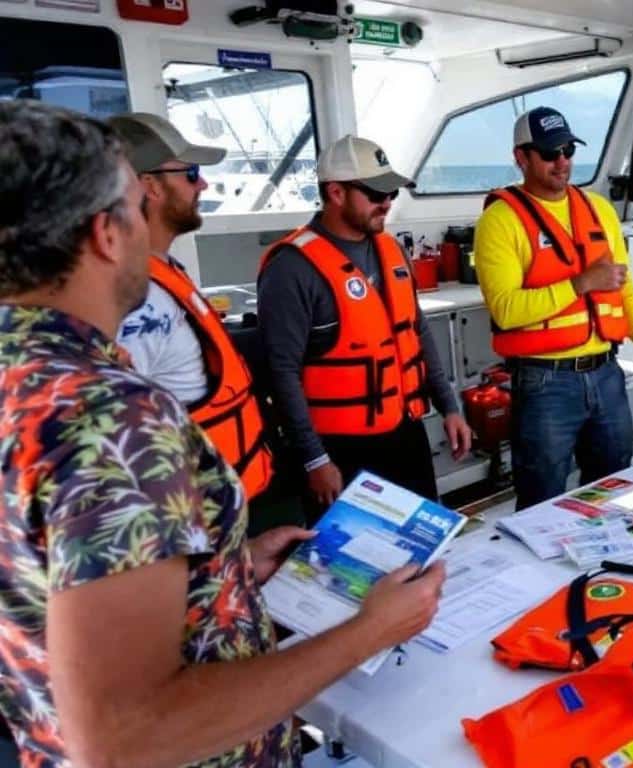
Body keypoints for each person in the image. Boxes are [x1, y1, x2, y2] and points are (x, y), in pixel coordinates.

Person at [0, 100, 445, 767]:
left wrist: (229, 569)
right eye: (135, 208)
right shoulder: (109, 417)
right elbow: (126, 736)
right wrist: (370, 630)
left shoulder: (22, 376)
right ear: (105, 234)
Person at [258, 135, 471, 519]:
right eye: (375, 193)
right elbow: (281, 372)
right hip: (340, 451)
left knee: (421, 543)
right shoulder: (291, 268)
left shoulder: (392, 250)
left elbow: (417, 330)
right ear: (336, 192)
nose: (387, 203)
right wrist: (314, 459)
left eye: (391, 192)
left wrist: (449, 408)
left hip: (406, 434)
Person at [474, 106, 633, 510]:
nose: (562, 161)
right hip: (544, 383)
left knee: (614, 488)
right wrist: (580, 283)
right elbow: (506, 309)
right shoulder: (500, 221)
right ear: (521, 157)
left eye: (568, 150)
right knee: (542, 495)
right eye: (550, 153)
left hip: (606, 373)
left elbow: (623, 286)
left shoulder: (599, 210)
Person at [109, 112, 275, 502]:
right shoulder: (138, 302)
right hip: (200, 520)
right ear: (149, 186)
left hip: (227, 505)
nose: (203, 184)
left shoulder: (163, 273)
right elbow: (115, 452)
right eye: (190, 173)